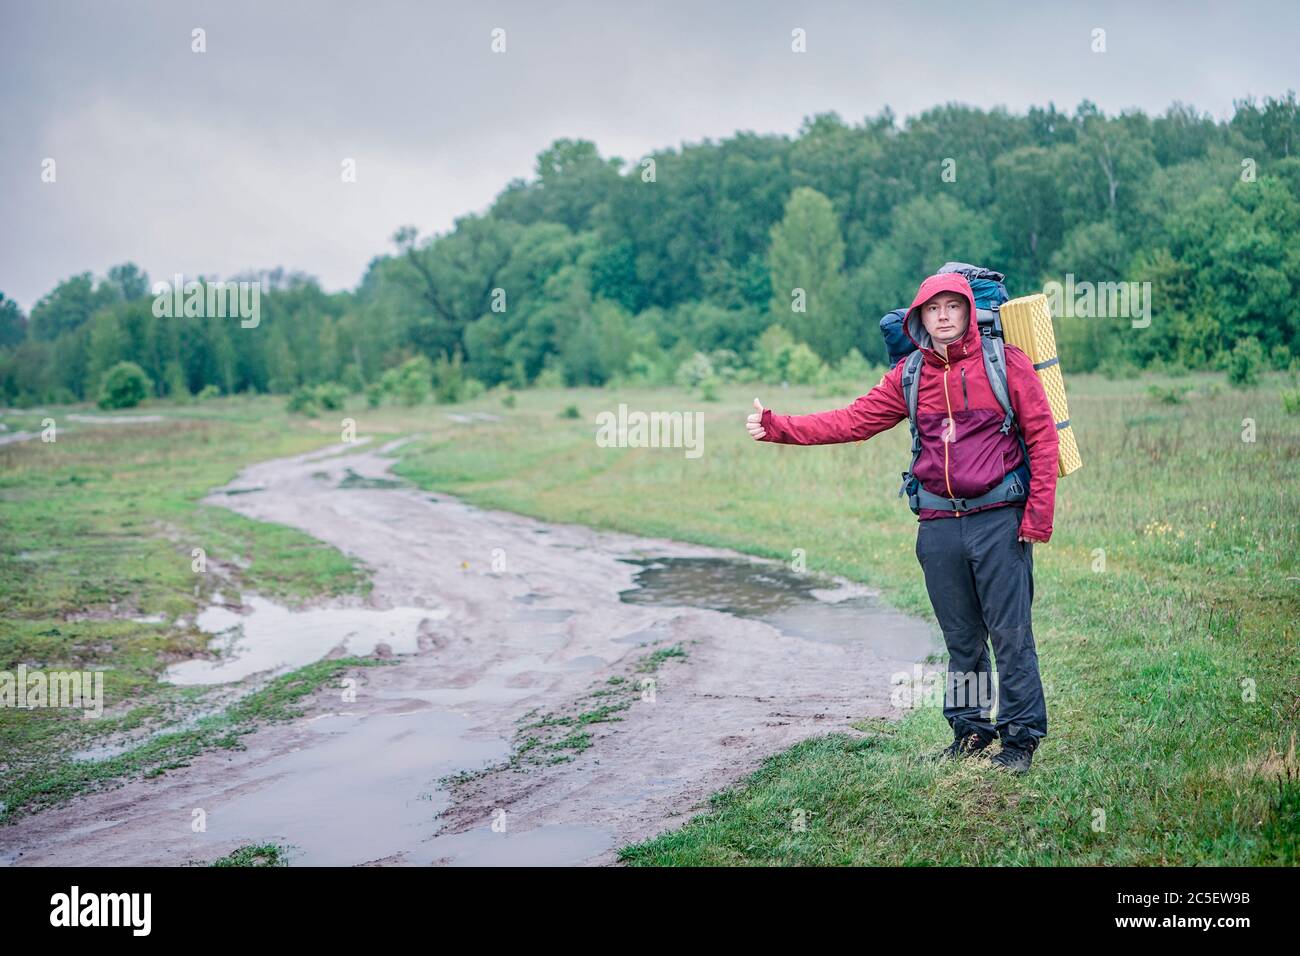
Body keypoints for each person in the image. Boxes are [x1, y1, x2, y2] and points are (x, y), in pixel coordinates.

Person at [746, 272, 1059, 773]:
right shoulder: (910, 375)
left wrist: (1037, 518)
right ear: (919, 318)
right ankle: (971, 731)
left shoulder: (1006, 364)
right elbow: (851, 421)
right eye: (932, 309)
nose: (943, 316)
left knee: (1010, 634)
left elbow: (1043, 439)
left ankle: (1020, 741)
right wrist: (777, 426)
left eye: (952, 307)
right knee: (961, 639)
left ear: (967, 312)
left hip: (1000, 519)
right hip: (938, 525)